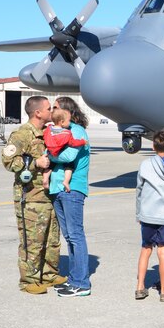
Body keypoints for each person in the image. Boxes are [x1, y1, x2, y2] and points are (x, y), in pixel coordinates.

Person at [1, 96, 65, 294]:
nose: (51, 112)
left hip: (49, 194)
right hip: (30, 197)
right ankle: (29, 280)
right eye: (48, 108)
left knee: (52, 238)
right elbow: (8, 161)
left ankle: (49, 274)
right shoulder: (22, 135)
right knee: (32, 240)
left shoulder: (48, 132)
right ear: (38, 113)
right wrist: (35, 164)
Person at [48, 96, 92, 297]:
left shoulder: (77, 131)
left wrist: (47, 155)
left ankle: (82, 284)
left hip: (72, 189)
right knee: (69, 237)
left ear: (66, 111)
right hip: (58, 188)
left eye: (55, 107)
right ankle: (74, 278)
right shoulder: (58, 129)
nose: (52, 110)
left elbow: (68, 156)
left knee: (75, 236)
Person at [135, 131, 164, 302]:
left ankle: (140, 287)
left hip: (148, 214)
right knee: (163, 251)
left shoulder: (145, 164)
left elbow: (139, 190)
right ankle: (163, 292)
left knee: (145, 249)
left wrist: (139, 213)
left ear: (153, 147)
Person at [42, 107, 88, 192]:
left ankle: (45, 178)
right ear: (62, 122)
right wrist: (82, 142)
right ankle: (66, 181)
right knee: (69, 165)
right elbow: (73, 143)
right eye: (69, 120)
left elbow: (45, 137)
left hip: (50, 152)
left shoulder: (48, 129)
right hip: (59, 152)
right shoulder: (66, 133)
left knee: (50, 166)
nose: (70, 122)